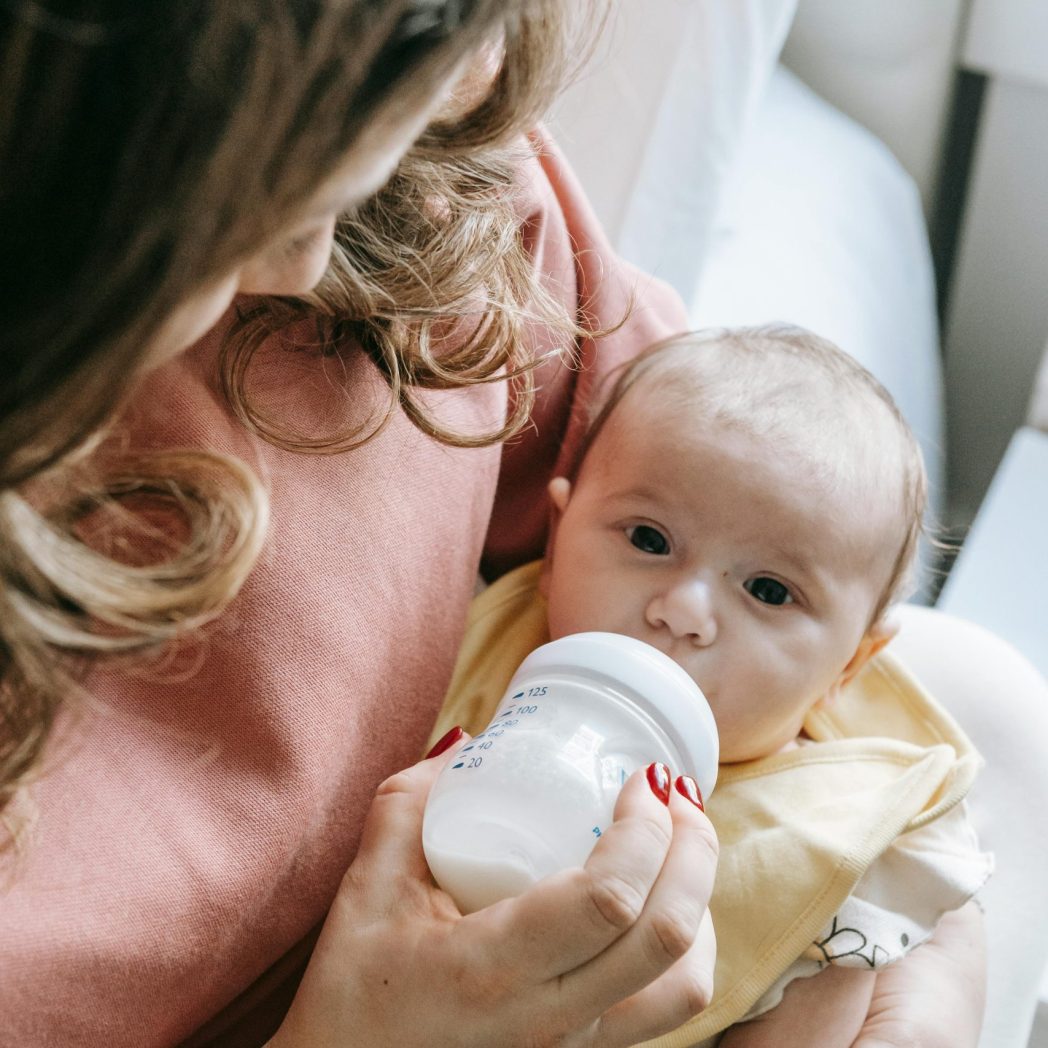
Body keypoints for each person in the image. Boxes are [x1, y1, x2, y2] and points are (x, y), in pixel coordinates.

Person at [0, 0, 1004, 1044]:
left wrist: (909, 940)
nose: (480, 80)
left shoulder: (422, 179)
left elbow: (773, 495)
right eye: (274, 185)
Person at [429, 325, 992, 1047]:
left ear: (846, 669)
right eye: (649, 539)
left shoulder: (839, 832)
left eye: (767, 589)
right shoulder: (465, 647)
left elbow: (923, 970)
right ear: (557, 539)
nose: (685, 611)